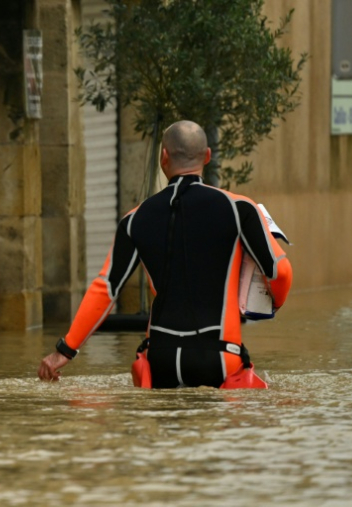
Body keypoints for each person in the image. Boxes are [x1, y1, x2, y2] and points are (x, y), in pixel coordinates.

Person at [38, 120, 292, 388]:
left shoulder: (135, 219)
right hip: (219, 357)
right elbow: (280, 272)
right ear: (207, 156)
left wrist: (63, 351)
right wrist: (269, 304)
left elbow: (106, 289)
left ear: (163, 157)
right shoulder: (240, 209)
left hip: (160, 359)